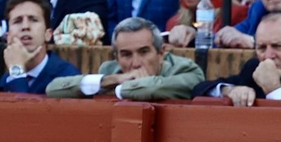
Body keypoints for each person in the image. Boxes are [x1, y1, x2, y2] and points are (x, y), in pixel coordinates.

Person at [46, 16, 206, 100]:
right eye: (126, 54)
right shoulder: (110, 70)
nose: (136, 63)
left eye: (144, 52)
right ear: (116, 58)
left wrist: (119, 87)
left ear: (161, 52)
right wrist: (112, 80)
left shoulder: (186, 70)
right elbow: (53, 88)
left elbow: (150, 88)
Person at [0, 0, 76, 93]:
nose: (25, 26)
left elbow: (22, 104)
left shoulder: (66, 76)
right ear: (8, 37)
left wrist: (17, 73)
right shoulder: (8, 78)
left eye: (33, 20)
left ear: (48, 34)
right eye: (18, 21)